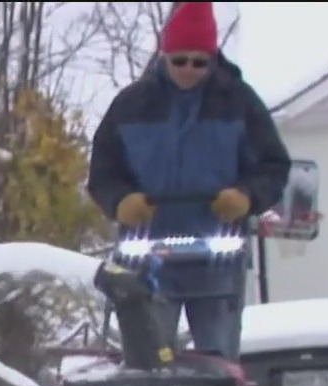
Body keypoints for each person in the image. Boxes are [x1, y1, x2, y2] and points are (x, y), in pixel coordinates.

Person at [87, 1, 291, 360]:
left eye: (199, 62)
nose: (189, 70)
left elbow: (273, 166)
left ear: (213, 60)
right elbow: (103, 171)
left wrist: (246, 196)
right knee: (149, 360)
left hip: (218, 259)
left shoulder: (240, 103)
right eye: (180, 60)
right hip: (148, 256)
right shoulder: (131, 106)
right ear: (164, 56)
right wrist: (120, 201)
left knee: (218, 362)